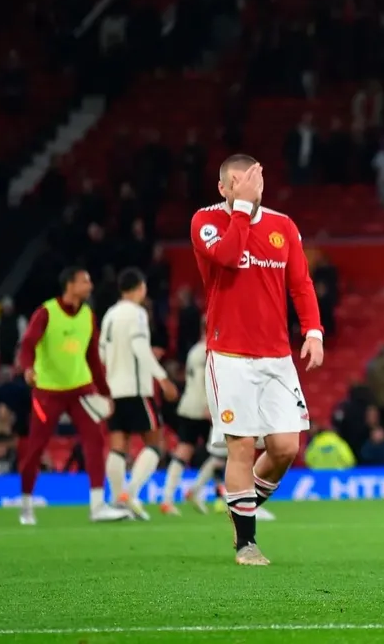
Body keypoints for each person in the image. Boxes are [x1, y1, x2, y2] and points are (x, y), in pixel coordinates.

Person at [190, 155, 324, 565]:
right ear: (223, 188)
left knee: (285, 447)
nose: (246, 185)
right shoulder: (205, 222)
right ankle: (246, 542)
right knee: (243, 447)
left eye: (252, 179)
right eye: (237, 181)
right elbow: (229, 256)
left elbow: (300, 283)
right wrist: (244, 210)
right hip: (229, 355)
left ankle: (239, 504)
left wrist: (313, 332)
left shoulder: (283, 226)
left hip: (276, 356)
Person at [16, 267, 130, 525]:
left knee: (94, 441)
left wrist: (105, 392)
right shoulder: (46, 312)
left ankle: (98, 506)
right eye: (84, 280)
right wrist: (27, 368)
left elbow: (92, 358)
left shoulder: (88, 315)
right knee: (35, 448)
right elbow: (28, 343)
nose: (89, 284)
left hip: (80, 389)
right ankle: (25, 505)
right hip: (49, 391)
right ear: (69, 285)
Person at [100, 267, 179, 520]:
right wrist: (163, 378)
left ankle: (116, 500)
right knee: (155, 444)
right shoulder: (137, 314)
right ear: (140, 287)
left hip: (114, 388)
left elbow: (101, 351)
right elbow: (139, 348)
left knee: (118, 445)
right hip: (136, 389)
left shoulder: (110, 315)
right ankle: (130, 494)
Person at [161, 317, 212, 515]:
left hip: (188, 405)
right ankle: (197, 490)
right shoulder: (207, 351)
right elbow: (204, 379)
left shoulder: (195, 350)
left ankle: (168, 498)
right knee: (224, 453)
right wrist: (209, 406)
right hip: (202, 408)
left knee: (185, 450)